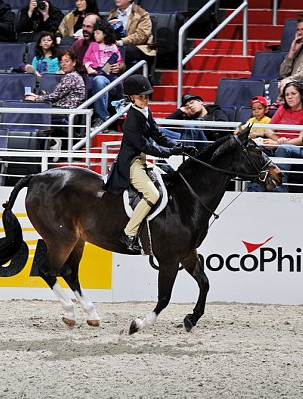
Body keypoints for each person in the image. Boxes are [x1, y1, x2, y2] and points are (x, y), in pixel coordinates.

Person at [103, 75, 195, 252]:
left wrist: (179, 146)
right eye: (140, 97)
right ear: (131, 98)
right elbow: (144, 145)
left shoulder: (146, 111)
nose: (144, 99)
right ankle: (129, 233)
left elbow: (157, 135)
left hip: (143, 159)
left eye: (146, 96)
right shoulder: (131, 119)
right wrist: (170, 152)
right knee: (152, 195)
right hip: (131, 163)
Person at [249, 82, 303, 192]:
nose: (290, 97)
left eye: (293, 93)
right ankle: (254, 190)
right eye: (287, 95)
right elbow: (268, 130)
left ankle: (279, 191)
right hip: (279, 144)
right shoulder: (282, 109)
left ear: (301, 95)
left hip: (300, 151)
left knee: (283, 149)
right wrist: (277, 140)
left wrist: (279, 144)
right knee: (256, 149)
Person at [25, 50, 87, 151]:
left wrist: (36, 98)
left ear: (74, 63)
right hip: (61, 108)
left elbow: (55, 96)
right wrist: (42, 96)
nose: (63, 64)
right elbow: (57, 96)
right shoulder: (71, 76)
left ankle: (51, 142)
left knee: (34, 111)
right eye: (61, 62)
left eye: (66, 61)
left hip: (65, 110)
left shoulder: (71, 77)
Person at [83, 18, 123, 127]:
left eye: (98, 33)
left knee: (116, 82)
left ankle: (119, 109)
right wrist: (89, 68)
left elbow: (119, 61)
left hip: (110, 73)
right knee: (98, 80)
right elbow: (86, 59)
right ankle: (103, 117)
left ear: (105, 34)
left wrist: (117, 66)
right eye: (94, 33)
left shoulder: (113, 47)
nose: (95, 35)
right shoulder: (93, 45)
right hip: (96, 72)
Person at [107, 0, 156, 72]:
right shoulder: (112, 13)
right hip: (116, 45)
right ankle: (106, 73)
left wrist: (121, 42)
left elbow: (141, 36)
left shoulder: (142, 14)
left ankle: (108, 71)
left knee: (122, 50)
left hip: (138, 47)